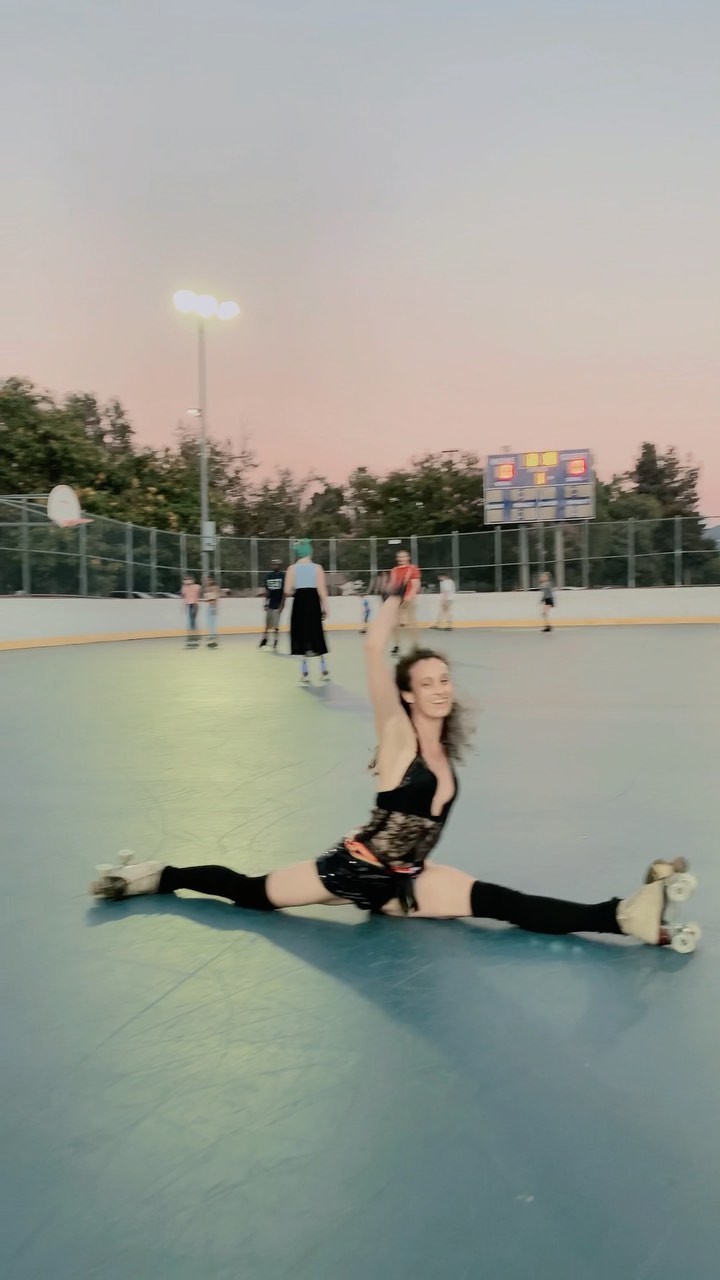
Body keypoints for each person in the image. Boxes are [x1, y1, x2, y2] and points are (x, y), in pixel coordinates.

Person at [90, 582, 699, 953]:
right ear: (407, 694)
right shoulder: (398, 737)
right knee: (251, 894)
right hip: (353, 871)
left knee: (503, 903)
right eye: (427, 682)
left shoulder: (443, 753)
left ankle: (625, 915)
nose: (440, 689)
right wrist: (394, 597)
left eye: (445, 680)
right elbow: (373, 648)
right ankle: (154, 875)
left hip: (406, 881)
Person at [285, 539, 330, 684]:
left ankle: (305, 671)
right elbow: (322, 590)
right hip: (313, 601)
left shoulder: (292, 569)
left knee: (301, 633)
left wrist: (296, 591)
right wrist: (325, 607)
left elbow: (287, 590)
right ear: (309, 551)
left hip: (299, 601)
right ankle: (323, 667)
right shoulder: (317, 568)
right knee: (316, 631)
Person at [389, 549, 421, 655]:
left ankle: (416, 646)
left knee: (411, 623)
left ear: (408, 557)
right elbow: (393, 585)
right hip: (397, 599)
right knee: (394, 624)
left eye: (403, 556)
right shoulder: (394, 570)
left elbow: (415, 585)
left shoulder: (412, 569)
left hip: (408, 600)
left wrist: (410, 596)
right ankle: (397, 645)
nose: (401, 559)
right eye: (399, 557)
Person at [260, 559, 285, 651]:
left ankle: (275, 641)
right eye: (273, 565)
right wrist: (266, 602)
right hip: (270, 603)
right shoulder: (269, 576)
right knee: (267, 623)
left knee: (275, 625)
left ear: (280, 566)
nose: (275, 566)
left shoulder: (283, 576)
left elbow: (284, 592)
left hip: (278, 604)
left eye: (277, 564)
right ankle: (265, 639)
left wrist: (282, 605)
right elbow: (267, 591)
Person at [181, 575, 201, 648]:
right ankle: (193, 636)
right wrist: (183, 606)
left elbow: (197, 595)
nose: (187, 581)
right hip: (188, 604)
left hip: (194, 604)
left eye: (188, 579)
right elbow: (184, 595)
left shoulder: (196, 586)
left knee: (192, 620)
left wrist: (190, 585)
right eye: (185, 580)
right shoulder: (184, 587)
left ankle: (194, 636)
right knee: (191, 621)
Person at [204, 576, 221, 648]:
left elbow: (216, 598)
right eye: (206, 580)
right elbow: (207, 599)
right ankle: (211, 636)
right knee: (209, 622)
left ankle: (214, 638)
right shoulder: (207, 589)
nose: (207, 582)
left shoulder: (215, 588)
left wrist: (215, 608)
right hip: (209, 606)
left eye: (208, 580)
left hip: (213, 606)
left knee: (212, 623)